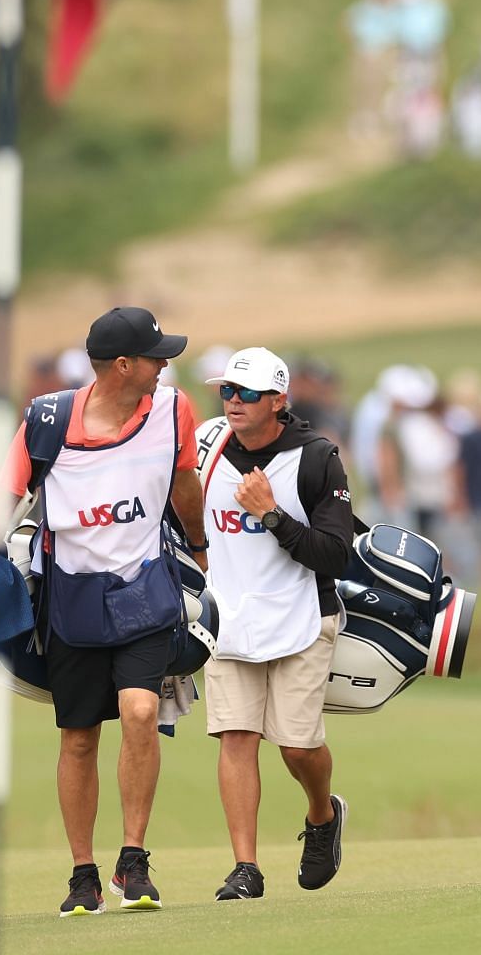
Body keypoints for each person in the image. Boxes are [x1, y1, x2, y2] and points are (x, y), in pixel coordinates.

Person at [0, 306, 206, 918]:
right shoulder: (48, 421)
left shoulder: (174, 410)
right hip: (69, 598)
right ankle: (82, 874)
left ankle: (134, 858)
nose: (165, 364)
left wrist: (201, 549)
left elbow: (184, 487)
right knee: (77, 738)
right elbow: (6, 499)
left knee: (141, 709)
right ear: (124, 366)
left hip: (146, 590)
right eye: (156, 355)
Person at [196, 347, 354, 902]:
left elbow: (336, 554)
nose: (233, 402)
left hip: (303, 615)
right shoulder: (208, 444)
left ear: (279, 401)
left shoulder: (316, 457)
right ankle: (246, 868)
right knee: (236, 735)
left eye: (247, 394)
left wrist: (272, 516)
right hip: (228, 616)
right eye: (227, 392)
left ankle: (322, 814)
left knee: (296, 747)